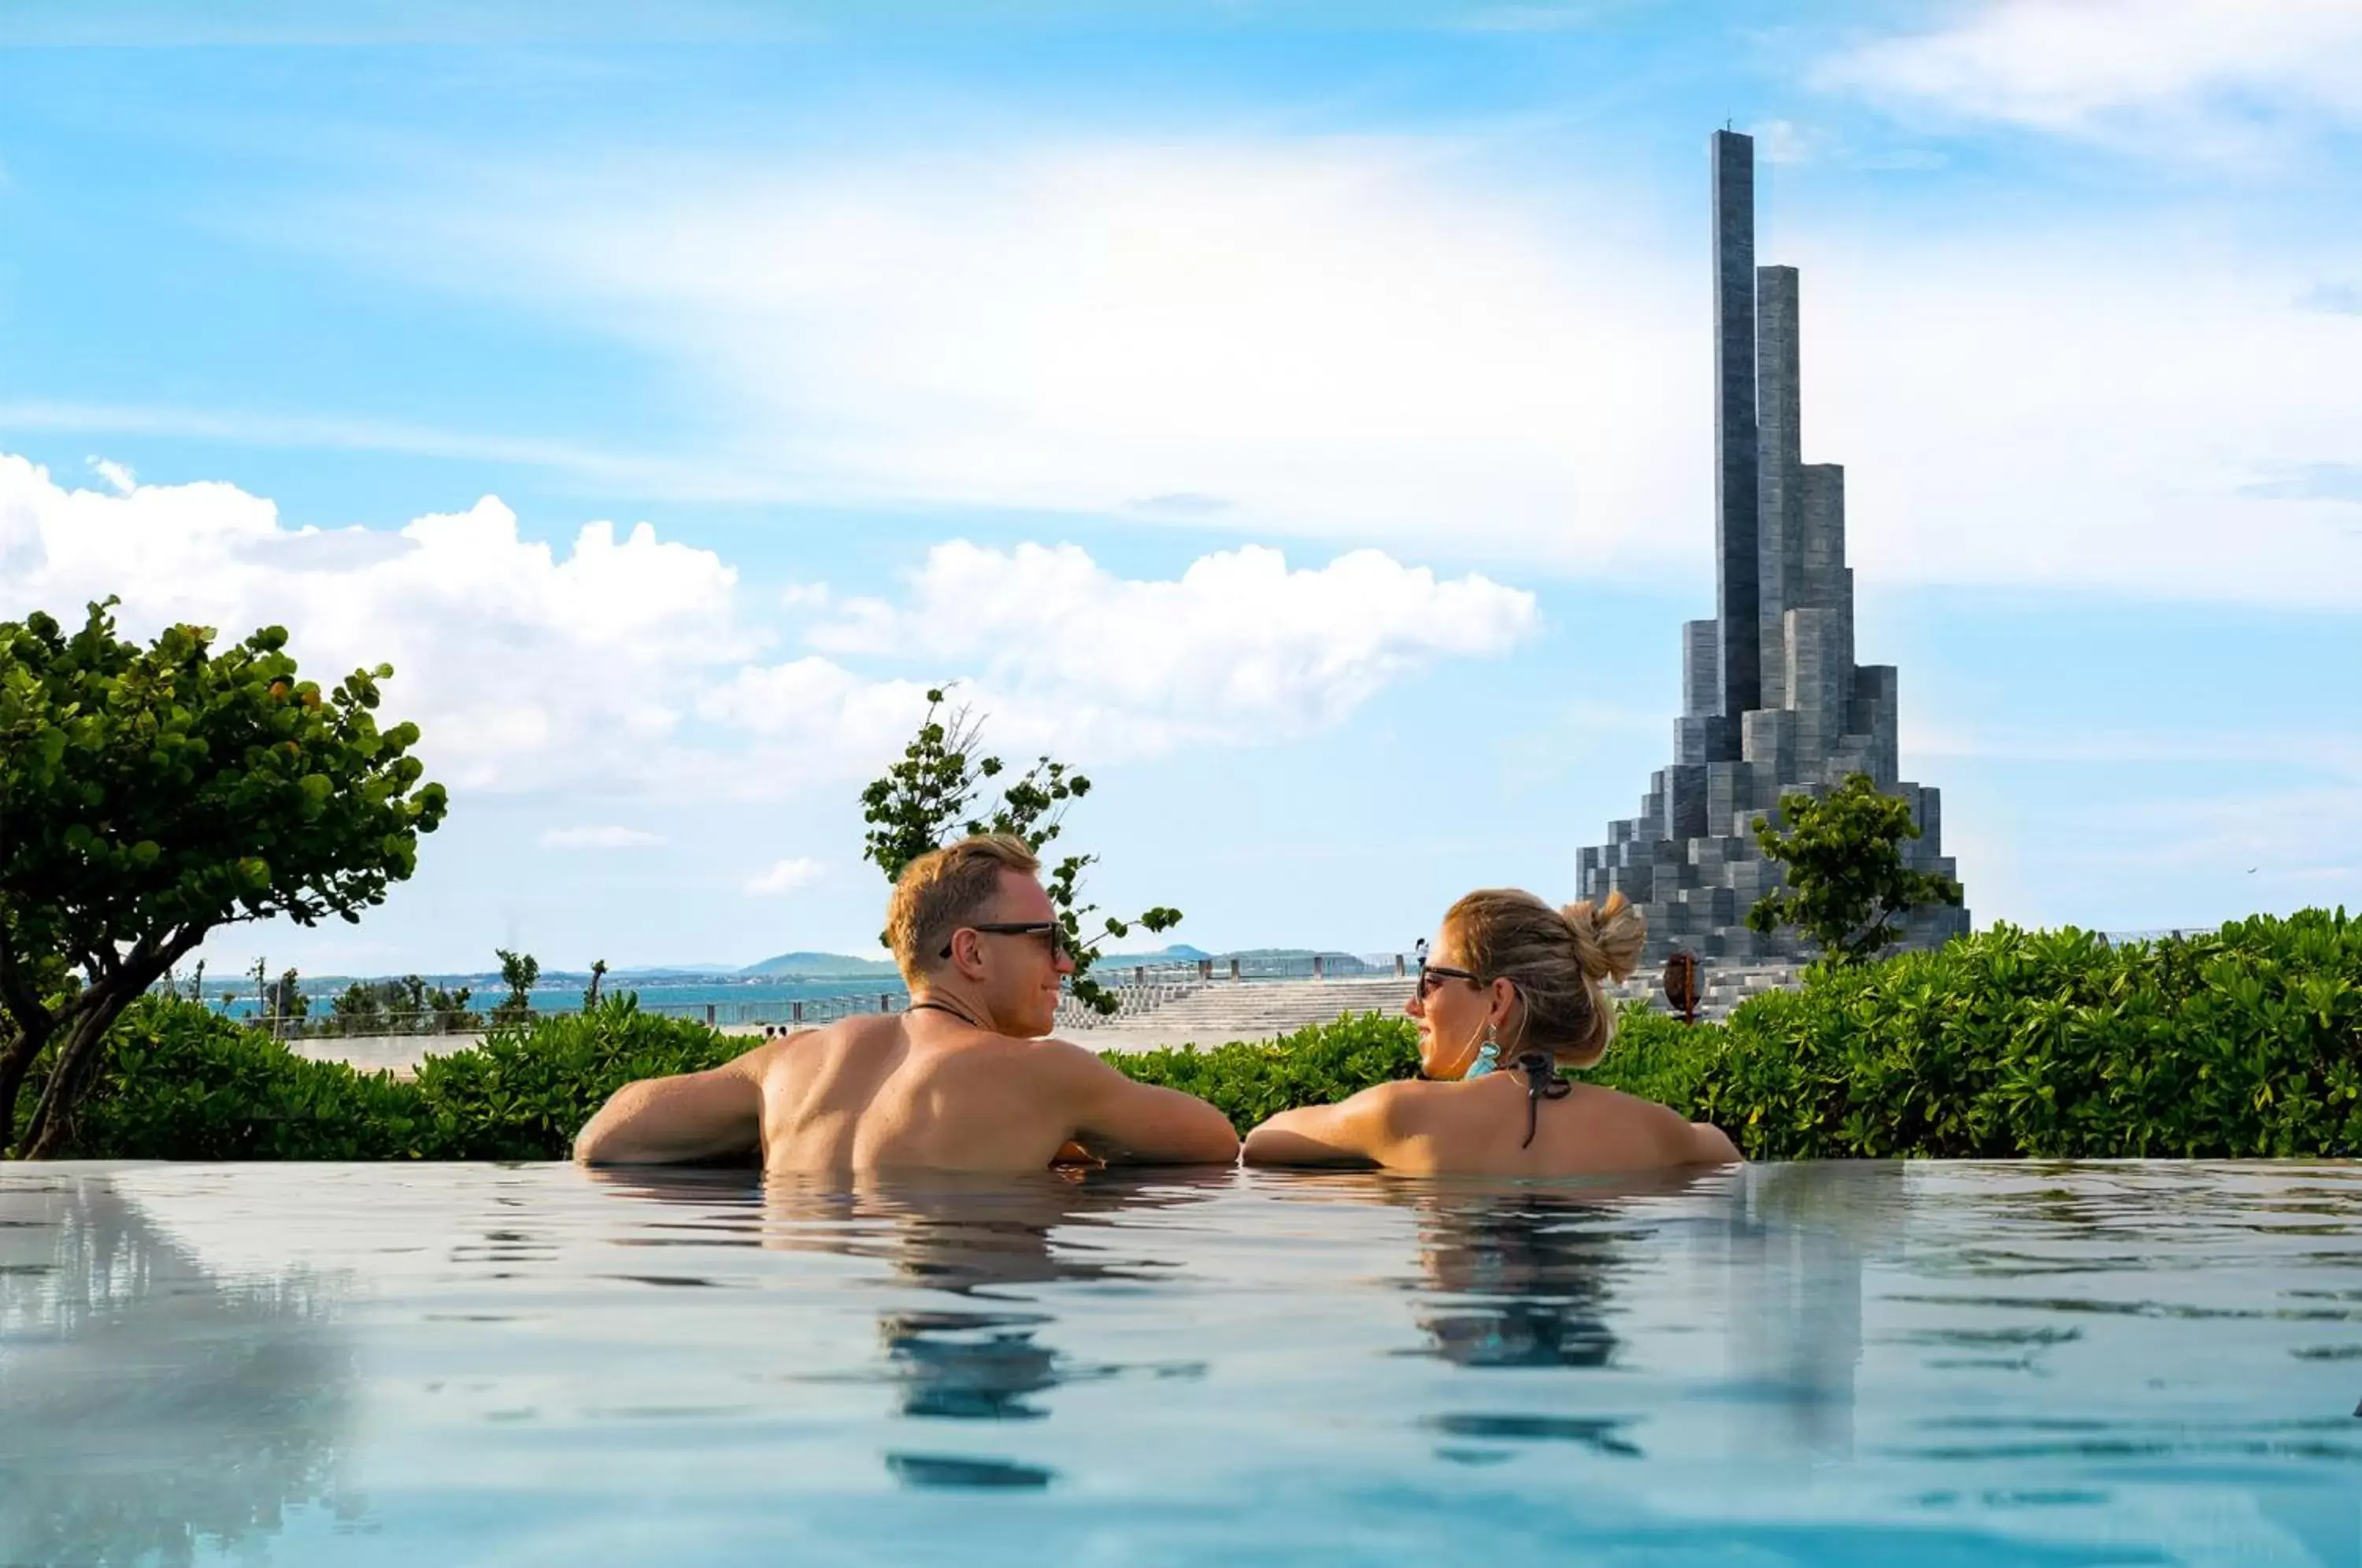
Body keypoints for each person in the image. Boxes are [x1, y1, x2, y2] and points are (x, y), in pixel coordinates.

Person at [574, 834, 1240, 1172]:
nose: (1065, 962)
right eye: (1047, 939)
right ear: (973, 953)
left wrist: (764, 1134)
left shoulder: (790, 1065)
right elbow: (1219, 1141)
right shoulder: (1044, 1075)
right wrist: (1061, 1131)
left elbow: (603, 1140)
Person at [1241, 889, 1739, 1175]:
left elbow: (1261, 1143)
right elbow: (1720, 1149)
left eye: (1430, 980)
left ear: (1498, 999)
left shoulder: (1400, 1116)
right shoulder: (1658, 1132)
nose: (1413, 1004)